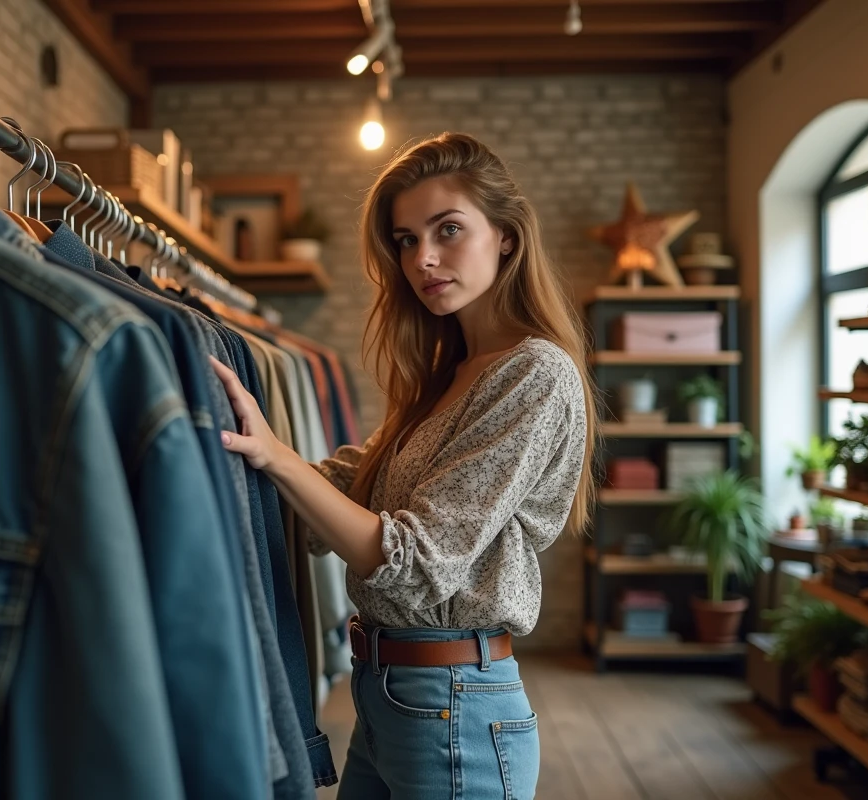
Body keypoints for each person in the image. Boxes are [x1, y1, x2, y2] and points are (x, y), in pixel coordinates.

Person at [210, 132, 596, 800]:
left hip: (454, 702)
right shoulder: (448, 374)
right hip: (396, 693)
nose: (424, 258)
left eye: (448, 230)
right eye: (406, 239)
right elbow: (355, 483)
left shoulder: (534, 372)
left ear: (506, 235)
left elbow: (416, 561)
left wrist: (272, 455)